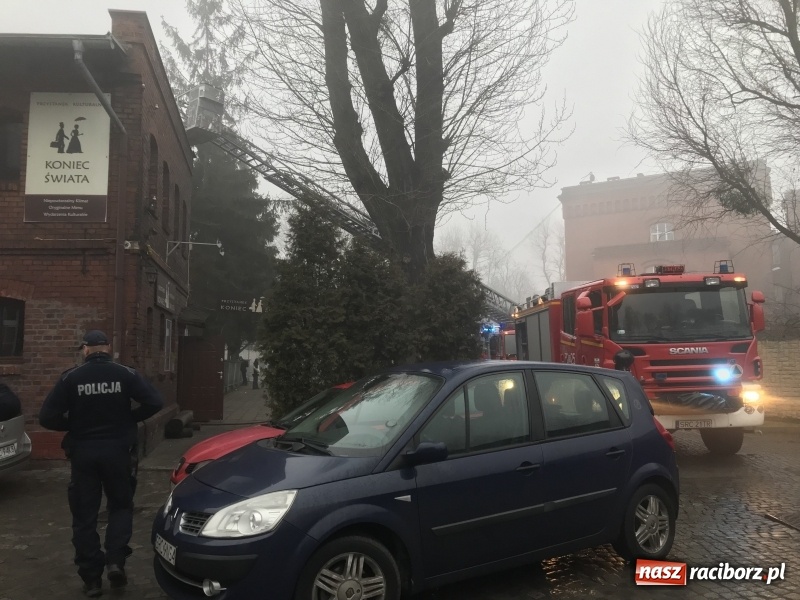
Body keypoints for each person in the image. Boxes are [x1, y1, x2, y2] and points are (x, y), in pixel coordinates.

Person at [39, 330, 163, 598]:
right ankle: (116, 561)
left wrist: (74, 424)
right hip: (118, 451)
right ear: (108, 348)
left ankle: (92, 579)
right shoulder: (125, 374)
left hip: (83, 453)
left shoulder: (71, 378)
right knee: (120, 506)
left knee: (85, 516)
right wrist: (130, 419)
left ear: (85, 349)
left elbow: (47, 417)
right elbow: (155, 401)